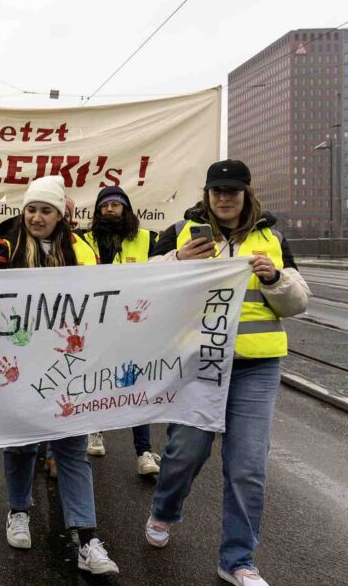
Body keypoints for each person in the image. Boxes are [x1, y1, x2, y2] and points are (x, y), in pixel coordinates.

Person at [144, 160, 310, 586]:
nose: (224, 198)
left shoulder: (272, 238)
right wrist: (178, 259)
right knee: (185, 453)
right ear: (206, 193)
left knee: (248, 466)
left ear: (246, 193)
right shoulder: (181, 233)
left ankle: (238, 559)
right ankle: (165, 509)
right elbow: (144, 287)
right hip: (197, 365)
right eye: (217, 190)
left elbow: (297, 303)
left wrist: (274, 279)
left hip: (257, 368)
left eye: (232, 191)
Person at [0, 176, 120, 577]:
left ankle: (88, 538)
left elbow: (101, 297)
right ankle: (18, 510)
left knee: (72, 450)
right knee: (22, 446)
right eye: (31, 209)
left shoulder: (80, 250)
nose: (37, 217)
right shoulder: (4, 247)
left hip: (67, 367)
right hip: (19, 368)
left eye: (46, 210)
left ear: (61, 215)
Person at [75, 185, 161, 475]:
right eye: (104, 205)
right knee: (95, 379)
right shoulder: (82, 240)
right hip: (95, 325)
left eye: (116, 205)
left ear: (126, 209)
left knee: (136, 386)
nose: (110, 210)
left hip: (133, 328)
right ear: (98, 211)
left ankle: (144, 451)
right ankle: (94, 430)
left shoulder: (148, 239)